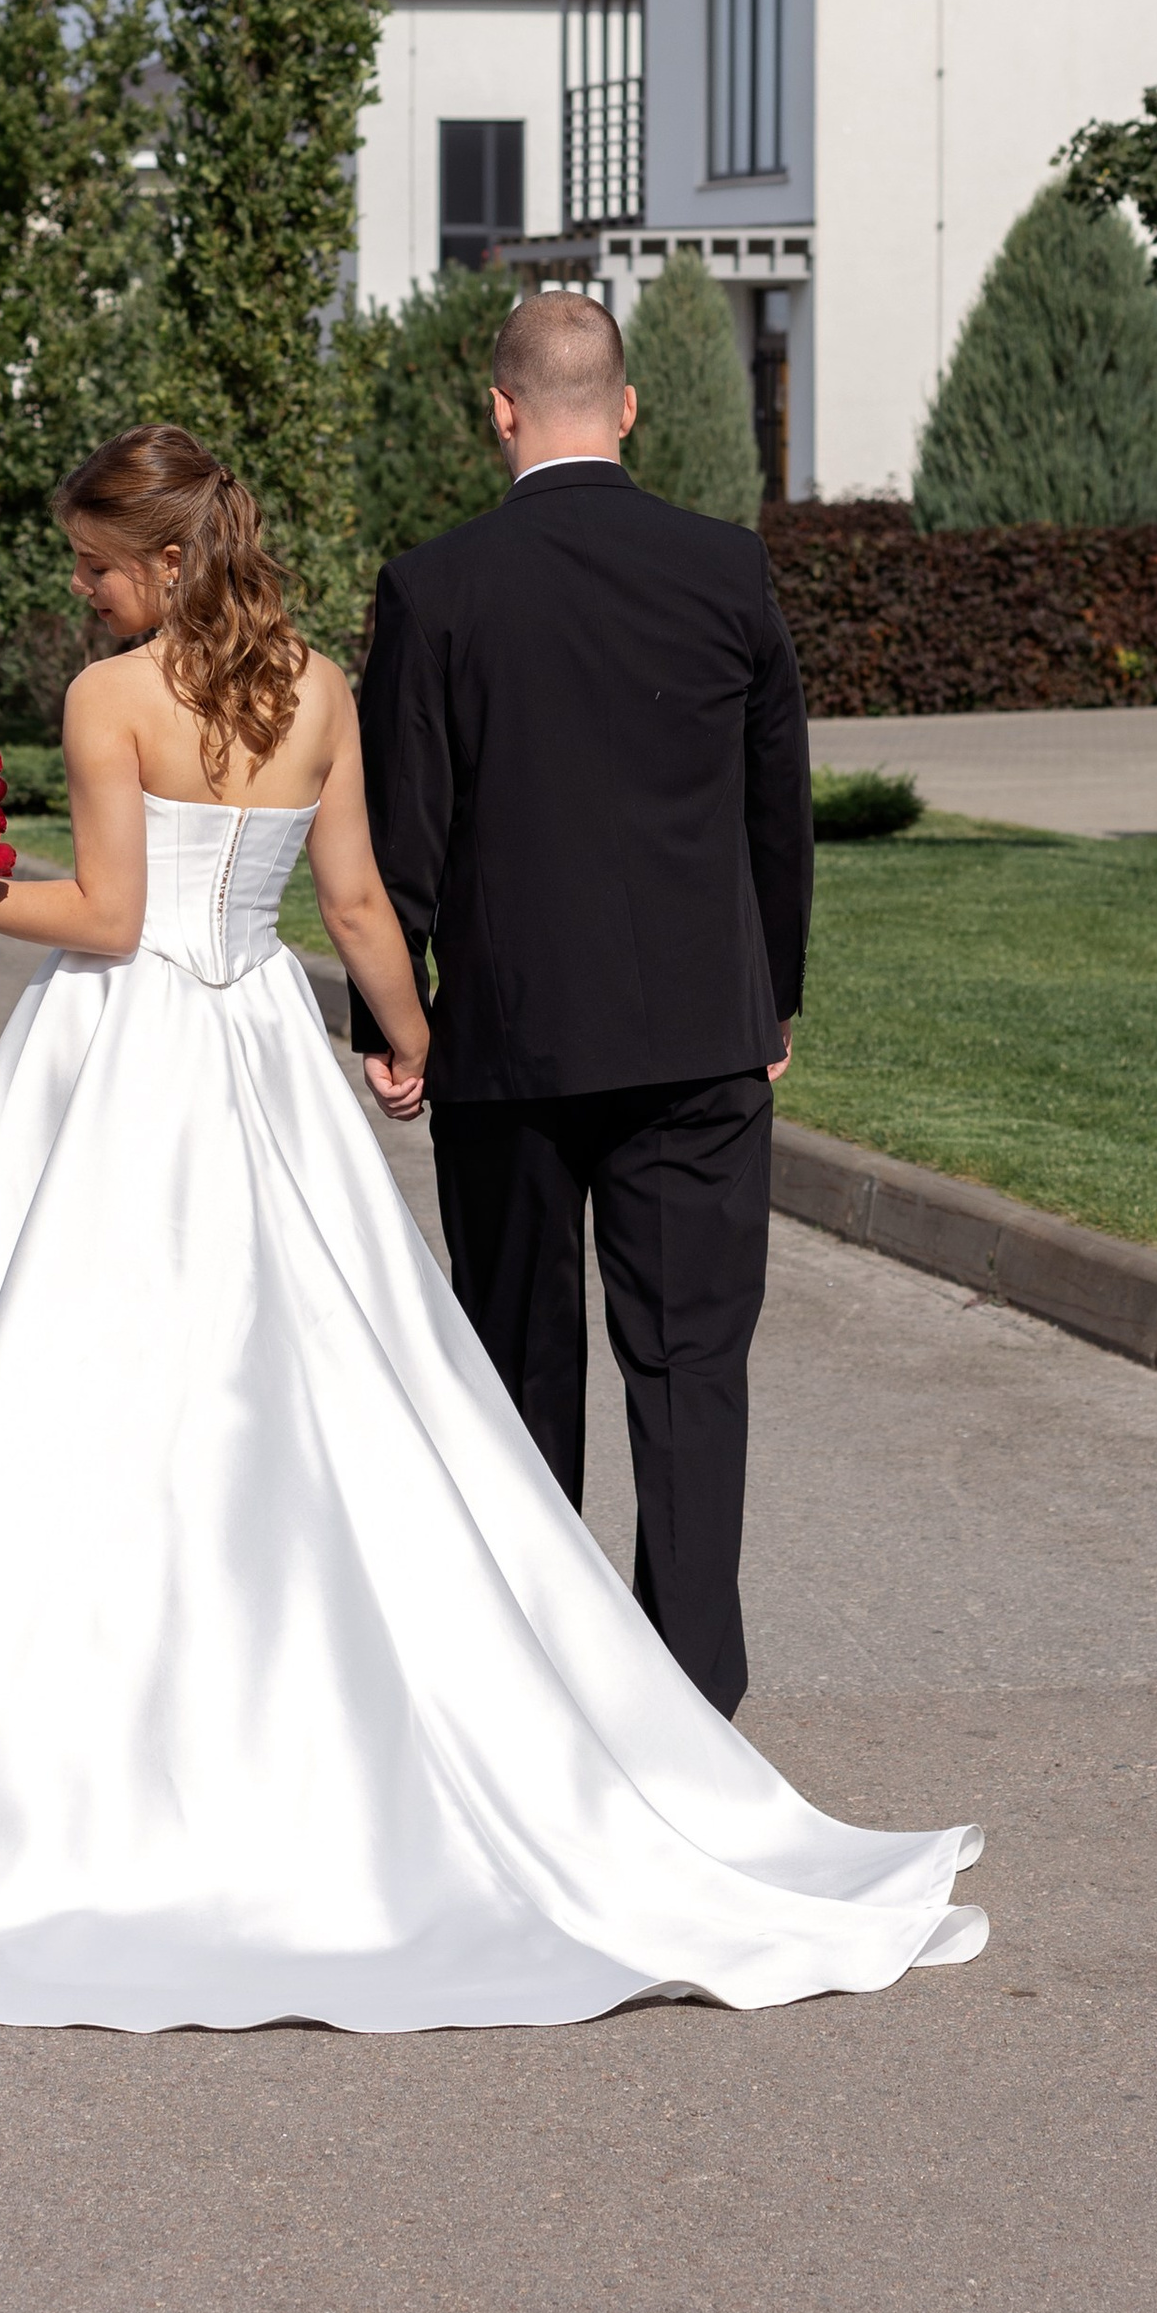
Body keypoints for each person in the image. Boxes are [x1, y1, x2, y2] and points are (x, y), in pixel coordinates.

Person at [0, 423, 982, 2032]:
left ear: (164, 559)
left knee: (82, 1369)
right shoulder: (315, 687)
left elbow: (108, 915)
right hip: (260, 1041)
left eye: (95, 566)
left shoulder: (110, 701)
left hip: (126, 1055)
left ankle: (66, 1732)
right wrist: (411, 1036)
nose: (82, 590)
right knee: (318, 1368)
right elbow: (363, 903)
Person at [352, 290, 808, 1718]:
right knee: (691, 1371)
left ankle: (539, 1694)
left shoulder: (434, 588)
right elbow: (776, 809)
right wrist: (775, 998)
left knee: (518, 1368)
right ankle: (692, 1702)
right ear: (627, 407)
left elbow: (402, 832)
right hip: (702, 1037)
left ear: (499, 410)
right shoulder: (728, 567)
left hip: (510, 1045)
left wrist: (393, 1025)